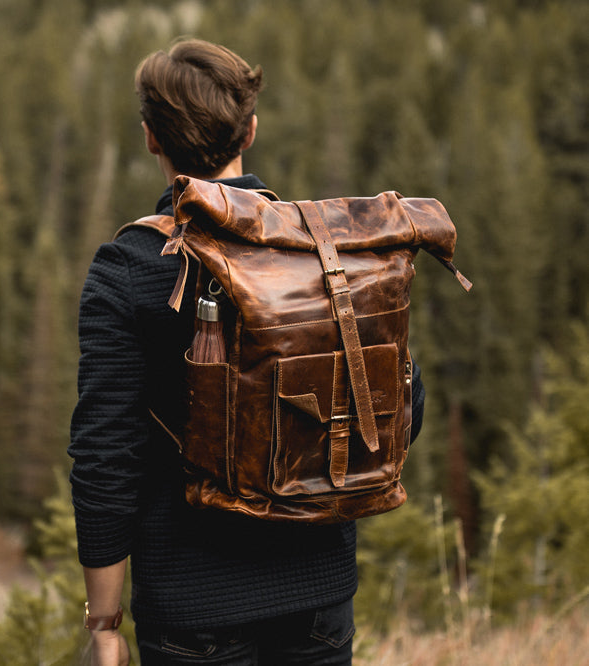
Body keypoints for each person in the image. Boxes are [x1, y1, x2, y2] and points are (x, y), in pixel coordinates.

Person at [69, 38, 425, 666]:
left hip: (191, 609)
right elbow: (405, 405)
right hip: (319, 597)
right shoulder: (323, 251)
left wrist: (104, 621)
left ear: (152, 137)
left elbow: (104, 460)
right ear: (250, 131)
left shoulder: (125, 269)